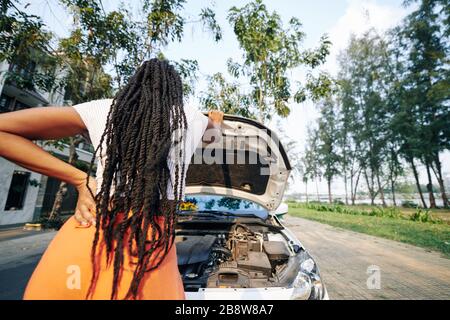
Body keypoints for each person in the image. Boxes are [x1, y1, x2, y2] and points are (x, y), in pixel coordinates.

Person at [0, 59, 224, 299]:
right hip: (149, 250)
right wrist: (216, 119)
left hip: (89, 232)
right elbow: (215, 138)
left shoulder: (104, 109)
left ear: (134, 85)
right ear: (175, 90)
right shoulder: (191, 119)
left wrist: (79, 179)